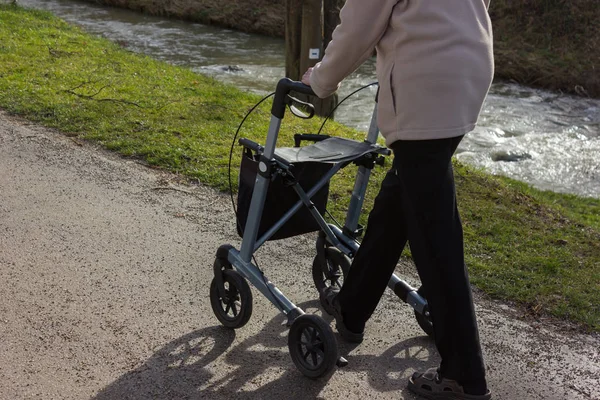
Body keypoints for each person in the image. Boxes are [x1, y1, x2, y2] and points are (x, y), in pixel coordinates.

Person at [301, 0, 494, 399]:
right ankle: (352, 308)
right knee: (399, 201)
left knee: (436, 243)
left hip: (425, 86)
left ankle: (464, 377)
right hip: (467, 69)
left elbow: (359, 26)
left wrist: (319, 81)